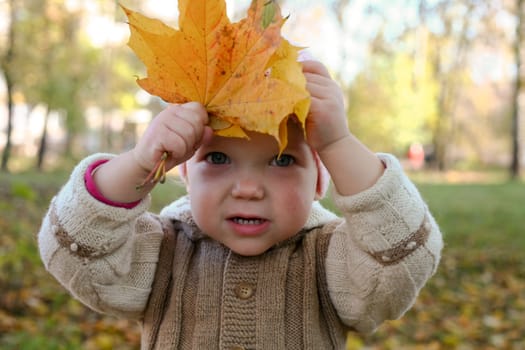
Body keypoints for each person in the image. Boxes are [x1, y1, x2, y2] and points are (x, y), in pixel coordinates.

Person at [38, 58, 443, 349]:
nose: (248, 188)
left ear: (321, 178)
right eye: (217, 159)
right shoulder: (161, 252)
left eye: (283, 160)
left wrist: (337, 143)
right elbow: (76, 251)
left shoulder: (332, 259)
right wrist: (139, 163)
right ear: (185, 173)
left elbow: (401, 261)